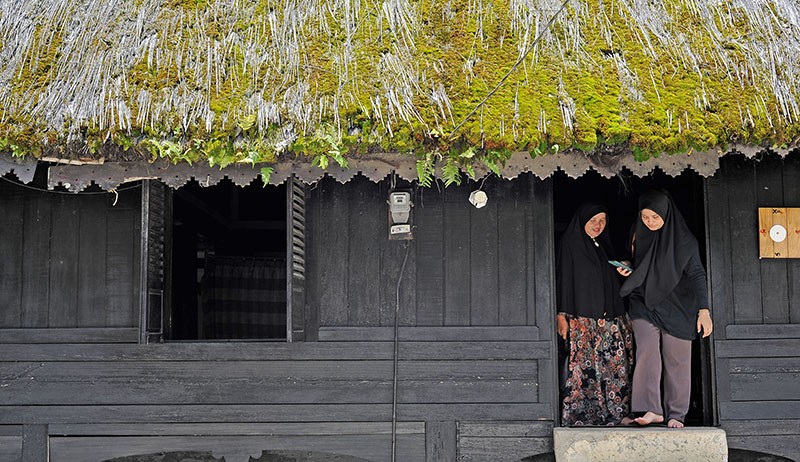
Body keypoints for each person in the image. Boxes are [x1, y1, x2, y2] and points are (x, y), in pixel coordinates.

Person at [618, 190, 713, 428]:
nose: (649, 222)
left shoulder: (685, 241)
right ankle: (651, 409)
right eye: (645, 217)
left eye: (655, 217)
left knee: (677, 359)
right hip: (644, 301)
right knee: (647, 351)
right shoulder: (636, 233)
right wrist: (628, 266)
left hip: (678, 305)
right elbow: (637, 261)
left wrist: (704, 310)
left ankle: (676, 413)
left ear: (667, 215)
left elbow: (697, 274)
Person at [556, 203, 634, 426]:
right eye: (593, 221)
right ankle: (585, 416)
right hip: (583, 320)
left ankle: (617, 414)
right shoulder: (570, 244)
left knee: (615, 369)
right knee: (587, 371)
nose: (598, 225)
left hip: (612, 320)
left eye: (602, 220)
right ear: (582, 222)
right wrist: (561, 315)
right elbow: (563, 280)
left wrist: (626, 266)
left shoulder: (604, 245)